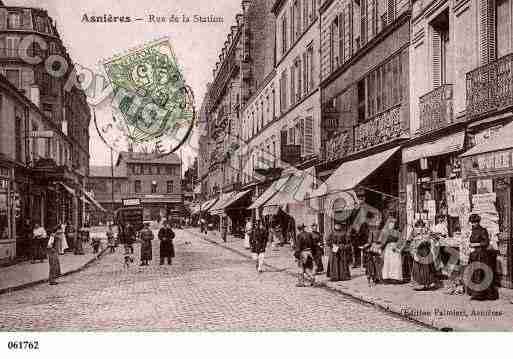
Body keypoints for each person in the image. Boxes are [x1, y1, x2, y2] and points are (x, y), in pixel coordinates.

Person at [467, 214, 499, 301]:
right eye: (472, 223)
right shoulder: (473, 231)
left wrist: (475, 244)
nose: (473, 224)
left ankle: (481, 295)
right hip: (474, 254)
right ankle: (475, 293)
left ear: (478, 222)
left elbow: (486, 243)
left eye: (475, 222)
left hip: (481, 255)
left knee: (480, 274)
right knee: (474, 273)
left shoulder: (483, 230)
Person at [409, 219, 439, 291]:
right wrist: (414, 254)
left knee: (427, 268)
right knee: (419, 268)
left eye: (422, 227)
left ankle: (428, 284)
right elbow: (412, 246)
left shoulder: (427, 234)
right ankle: (419, 284)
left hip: (426, 252)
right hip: (418, 253)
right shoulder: (414, 236)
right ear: (416, 228)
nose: (420, 229)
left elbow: (434, 239)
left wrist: (430, 241)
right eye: (418, 227)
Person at [381, 217, 404, 283]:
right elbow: (383, 242)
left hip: (395, 248)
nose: (392, 225)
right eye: (390, 224)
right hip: (388, 248)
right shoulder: (385, 232)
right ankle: (387, 277)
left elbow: (401, 240)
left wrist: (397, 246)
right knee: (388, 262)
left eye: (393, 224)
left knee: (396, 262)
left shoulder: (398, 232)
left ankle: (396, 278)